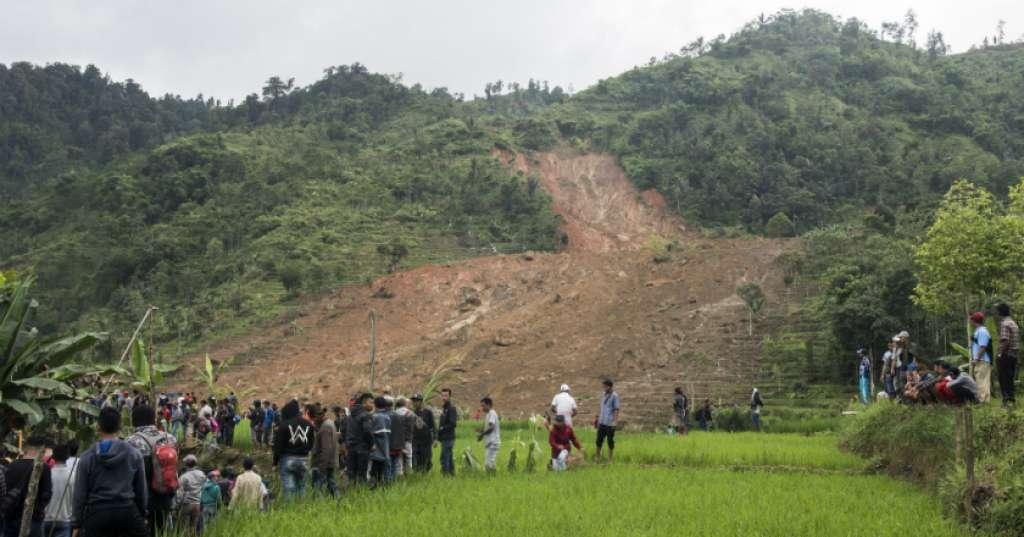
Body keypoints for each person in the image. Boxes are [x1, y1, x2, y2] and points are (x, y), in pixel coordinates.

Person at [71, 407, 148, 537]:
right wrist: (141, 514)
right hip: (127, 513)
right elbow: (141, 490)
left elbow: (80, 495)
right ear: (120, 426)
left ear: (98, 427)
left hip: (96, 515)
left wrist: (77, 524)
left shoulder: (87, 457)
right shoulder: (134, 454)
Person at [126, 405, 177, 537]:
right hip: (166, 497)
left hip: (142, 502)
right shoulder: (170, 439)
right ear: (153, 419)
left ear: (134, 420)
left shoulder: (131, 442)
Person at [5, 435, 53, 537]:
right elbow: (46, 494)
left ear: (26, 448)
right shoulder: (44, 468)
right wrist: (39, 509)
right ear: (42, 449)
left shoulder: (12, 466)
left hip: (11, 519)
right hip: (34, 520)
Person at [273, 399, 314, 500]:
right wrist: (305, 451)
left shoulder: (284, 425)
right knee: (302, 487)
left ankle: (290, 510)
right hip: (304, 459)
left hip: (288, 459)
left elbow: (278, 446)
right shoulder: (308, 424)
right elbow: (311, 443)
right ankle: (302, 510)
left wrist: (275, 462)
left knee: (289, 488)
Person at [44, 444, 74, 537]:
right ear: (68, 457)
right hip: (65, 519)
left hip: (45, 519)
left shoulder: (46, 474)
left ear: (53, 456)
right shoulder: (73, 475)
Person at [345, 393, 374, 486]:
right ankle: (361, 494)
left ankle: (351, 495)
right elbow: (367, 431)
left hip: (351, 448)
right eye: (371, 402)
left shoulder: (350, 416)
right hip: (362, 448)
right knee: (362, 475)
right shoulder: (366, 415)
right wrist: (372, 444)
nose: (372, 405)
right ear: (364, 403)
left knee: (351, 475)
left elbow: (345, 432)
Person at [310, 405, 338, 497]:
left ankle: (318, 507)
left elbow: (326, 449)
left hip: (322, 463)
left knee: (317, 488)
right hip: (330, 462)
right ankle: (339, 503)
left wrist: (321, 467)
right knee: (331, 485)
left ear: (318, 416)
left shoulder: (325, 427)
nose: (313, 421)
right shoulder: (330, 423)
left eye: (313, 419)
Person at [175, 455, 205, 537]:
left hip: (186, 504)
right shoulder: (201, 474)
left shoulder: (184, 477)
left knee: (183, 528)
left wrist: (177, 505)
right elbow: (202, 486)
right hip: (197, 504)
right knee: (193, 527)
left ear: (186, 464)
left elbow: (179, 493)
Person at [997, 303, 1020, 406]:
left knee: (1003, 378)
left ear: (1000, 312)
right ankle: (1012, 399)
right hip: (1014, 355)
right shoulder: (1013, 323)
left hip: (1006, 354)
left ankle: (1006, 400)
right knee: (1010, 378)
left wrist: (1000, 353)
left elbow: (1005, 341)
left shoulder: (1004, 323)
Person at [970, 312, 994, 403]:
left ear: (974, 320)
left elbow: (983, 347)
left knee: (982, 381)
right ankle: (984, 401)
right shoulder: (978, 331)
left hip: (983, 360)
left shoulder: (982, 331)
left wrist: (976, 359)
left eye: (972, 320)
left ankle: (983, 401)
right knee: (981, 380)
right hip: (981, 360)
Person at [369, 397, 392, 488]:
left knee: (375, 470)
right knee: (382, 471)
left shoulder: (375, 417)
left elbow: (377, 434)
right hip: (385, 448)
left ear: (375, 405)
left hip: (377, 449)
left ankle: (374, 487)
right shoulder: (387, 417)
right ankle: (382, 487)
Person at [594, 379, 620, 463]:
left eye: (605, 386)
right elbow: (602, 408)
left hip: (610, 423)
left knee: (610, 441)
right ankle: (597, 458)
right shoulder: (603, 395)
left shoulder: (615, 396)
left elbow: (616, 409)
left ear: (609, 386)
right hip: (602, 422)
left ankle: (609, 459)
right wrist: (597, 418)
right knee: (598, 440)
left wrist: (615, 422)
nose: (603, 388)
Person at [410, 394, 435, 473]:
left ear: (421, 402)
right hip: (416, 440)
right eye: (413, 401)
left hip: (426, 440)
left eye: (416, 401)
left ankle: (426, 473)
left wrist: (435, 439)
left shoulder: (428, 412)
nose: (414, 403)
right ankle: (417, 473)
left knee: (426, 458)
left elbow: (433, 426)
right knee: (416, 458)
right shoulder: (412, 413)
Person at [437, 388, 458, 476]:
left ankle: (445, 475)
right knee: (448, 457)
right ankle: (452, 474)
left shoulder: (451, 408)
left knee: (444, 457)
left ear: (450, 396)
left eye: (446, 395)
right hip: (445, 438)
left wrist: (442, 429)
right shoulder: (444, 408)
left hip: (449, 437)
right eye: (442, 395)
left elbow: (453, 423)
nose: (444, 397)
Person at [477, 397, 500, 473]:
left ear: (489, 405)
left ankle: (492, 478)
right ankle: (492, 478)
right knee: (489, 463)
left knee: (488, 464)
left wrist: (482, 434)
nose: (482, 408)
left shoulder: (492, 413)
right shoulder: (488, 415)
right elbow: (488, 428)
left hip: (493, 443)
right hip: (489, 443)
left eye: (483, 406)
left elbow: (491, 427)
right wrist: (481, 432)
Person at [393, 398, 415, 475]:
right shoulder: (411, 413)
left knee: (399, 459)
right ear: (405, 404)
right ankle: (409, 475)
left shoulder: (394, 413)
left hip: (397, 441)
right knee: (408, 458)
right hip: (408, 439)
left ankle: (399, 475)